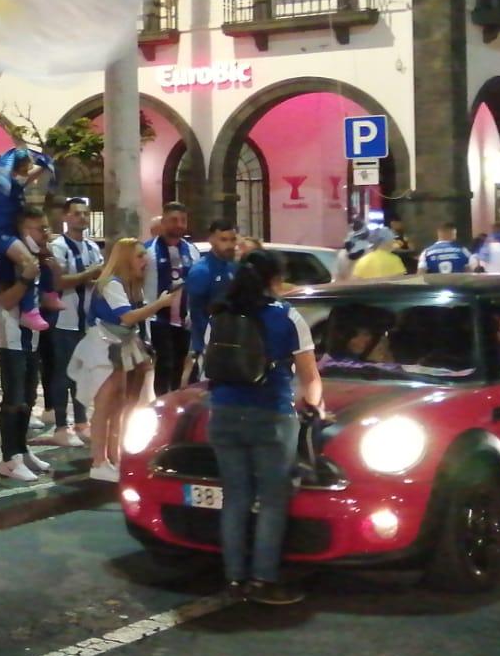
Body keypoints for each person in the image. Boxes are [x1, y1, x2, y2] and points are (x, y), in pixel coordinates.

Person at [204, 249, 322, 605]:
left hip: (223, 414)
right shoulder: (286, 317)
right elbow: (310, 379)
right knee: (271, 500)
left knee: (235, 497)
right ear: (275, 280)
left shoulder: (220, 316)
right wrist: (314, 408)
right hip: (270, 415)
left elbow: (206, 368)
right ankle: (264, 580)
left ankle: (234, 579)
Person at [69, 238, 177, 481]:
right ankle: (99, 461)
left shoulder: (130, 285)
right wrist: (160, 304)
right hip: (102, 348)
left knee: (119, 405)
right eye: (139, 256)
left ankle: (114, 457)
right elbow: (127, 317)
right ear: (126, 258)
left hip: (118, 346)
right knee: (105, 406)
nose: (145, 260)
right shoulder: (111, 284)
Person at [0, 207, 52, 483]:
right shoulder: (6, 260)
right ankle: (9, 459)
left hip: (31, 338)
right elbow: (7, 300)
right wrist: (26, 277)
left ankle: (22, 450)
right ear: (24, 231)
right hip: (11, 337)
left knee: (28, 398)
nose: (46, 234)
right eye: (40, 228)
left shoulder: (37, 258)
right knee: (14, 399)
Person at [35, 198, 101, 449]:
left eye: (85, 213)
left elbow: (97, 278)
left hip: (87, 320)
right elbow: (58, 282)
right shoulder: (58, 246)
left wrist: (92, 278)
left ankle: (82, 421)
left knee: (83, 373)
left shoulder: (92, 247)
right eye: (76, 214)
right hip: (64, 320)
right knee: (63, 373)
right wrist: (88, 275)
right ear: (65, 217)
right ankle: (62, 425)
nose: (82, 218)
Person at [0, 149, 56, 333]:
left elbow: (33, 173)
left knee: (41, 256)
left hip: (10, 233)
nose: (26, 173)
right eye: (23, 170)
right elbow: (23, 175)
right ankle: (29, 310)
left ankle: (48, 293)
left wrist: (46, 162)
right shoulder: (2, 187)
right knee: (29, 264)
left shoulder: (14, 184)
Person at [141, 202, 195, 396]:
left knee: (180, 364)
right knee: (165, 362)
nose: (179, 225)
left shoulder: (192, 251)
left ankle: (175, 403)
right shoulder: (147, 251)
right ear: (163, 222)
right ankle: (161, 404)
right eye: (174, 220)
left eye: (183, 220)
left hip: (183, 319)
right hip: (157, 319)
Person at [181, 220, 239, 382]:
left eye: (232, 239)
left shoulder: (235, 267)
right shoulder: (201, 271)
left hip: (235, 341)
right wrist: (201, 346)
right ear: (212, 240)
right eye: (224, 239)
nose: (229, 245)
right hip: (210, 345)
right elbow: (197, 313)